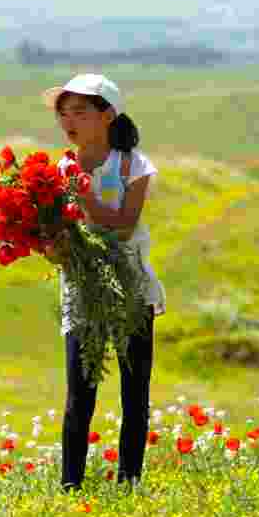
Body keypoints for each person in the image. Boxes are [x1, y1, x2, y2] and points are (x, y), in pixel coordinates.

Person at [39, 73, 166, 492]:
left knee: (135, 393)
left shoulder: (133, 165)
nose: (69, 121)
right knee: (80, 392)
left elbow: (125, 227)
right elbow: (60, 232)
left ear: (107, 115)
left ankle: (129, 485)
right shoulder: (60, 168)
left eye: (80, 112)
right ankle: (69, 488)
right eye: (64, 113)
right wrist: (49, 244)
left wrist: (87, 198)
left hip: (131, 286)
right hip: (81, 289)